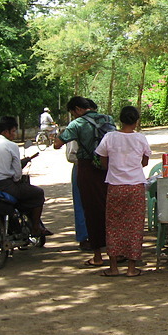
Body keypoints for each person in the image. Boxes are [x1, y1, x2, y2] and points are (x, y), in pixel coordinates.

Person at [54, 96, 114, 267]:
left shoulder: (76, 124)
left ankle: (97, 255)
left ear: (77, 109)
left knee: (90, 210)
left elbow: (57, 144)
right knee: (108, 206)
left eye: (73, 113)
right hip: (107, 166)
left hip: (87, 168)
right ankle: (115, 250)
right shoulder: (107, 119)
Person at [94, 106, 151, 277]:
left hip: (115, 186)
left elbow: (102, 159)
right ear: (136, 121)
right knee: (135, 225)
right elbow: (145, 161)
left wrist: (114, 168)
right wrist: (132, 167)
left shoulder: (110, 137)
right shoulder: (140, 138)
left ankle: (113, 267)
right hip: (135, 186)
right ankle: (132, 268)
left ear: (120, 120)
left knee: (113, 225)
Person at [0, 116, 50, 237]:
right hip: (7, 187)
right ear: (5, 132)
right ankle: (35, 228)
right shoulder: (11, 146)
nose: (15, 135)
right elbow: (17, 174)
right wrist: (14, 179)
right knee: (38, 193)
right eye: (13, 131)